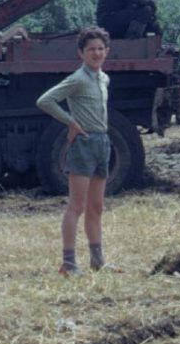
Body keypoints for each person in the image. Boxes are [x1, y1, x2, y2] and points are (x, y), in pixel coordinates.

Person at [36, 27, 120, 277]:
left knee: (96, 207)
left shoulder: (103, 78)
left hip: (102, 142)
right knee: (76, 205)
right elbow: (45, 100)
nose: (96, 53)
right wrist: (71, 122)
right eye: (91, 49)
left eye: (100, 49)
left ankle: (98, 261)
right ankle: (69, 263)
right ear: (81, 53)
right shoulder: (78, 78)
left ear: (107, 52)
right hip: (83, 144)